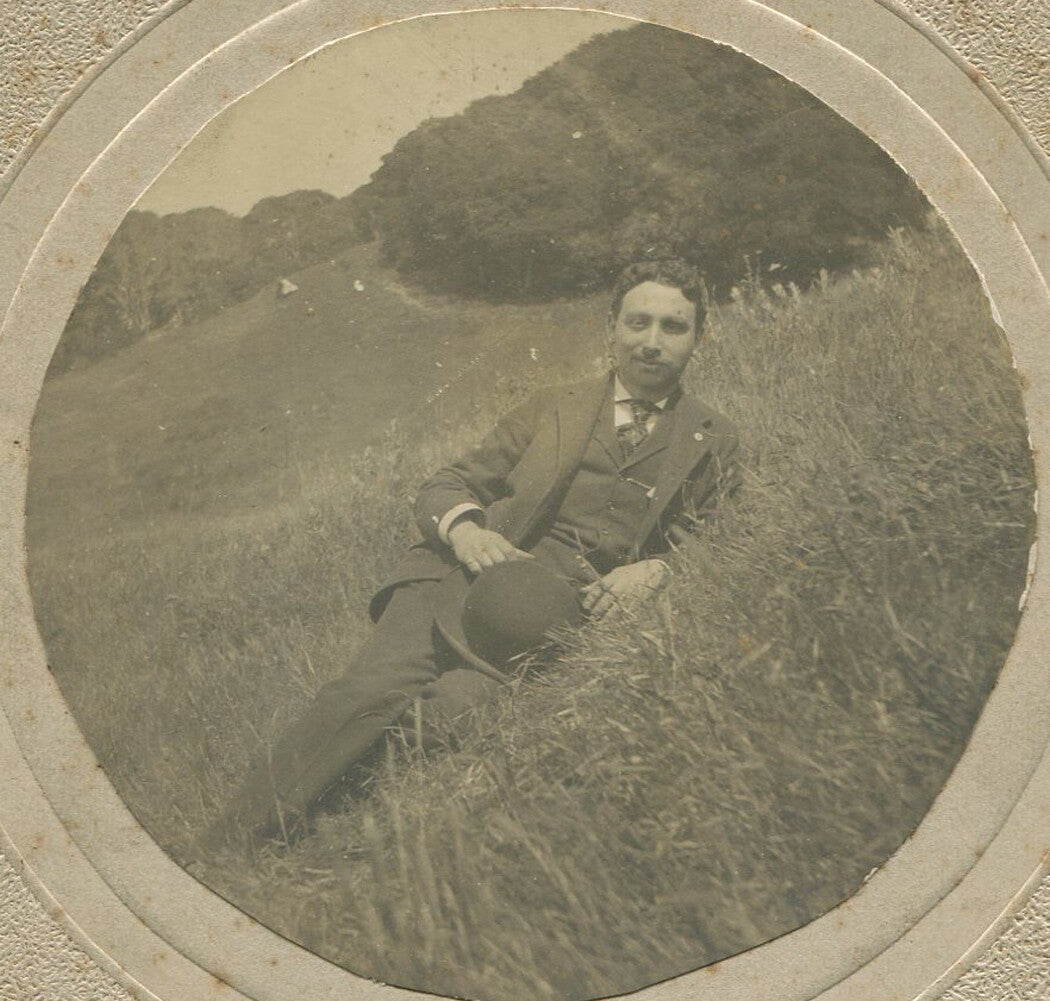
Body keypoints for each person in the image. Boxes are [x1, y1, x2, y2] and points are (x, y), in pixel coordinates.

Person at [207, 258, 740, 850]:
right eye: (638, 324)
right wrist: (466, 532)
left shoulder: (712, 438)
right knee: (366, 694)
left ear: (700, 338)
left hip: (544, 628)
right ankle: (230, 848)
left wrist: (659, 568)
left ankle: (324, 827)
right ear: (610, 329)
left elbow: (719, 541)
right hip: (457, 584)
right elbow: (447, 484)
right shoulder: (552, 406)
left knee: (451, 718)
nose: (651, 343)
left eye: (673, 327)